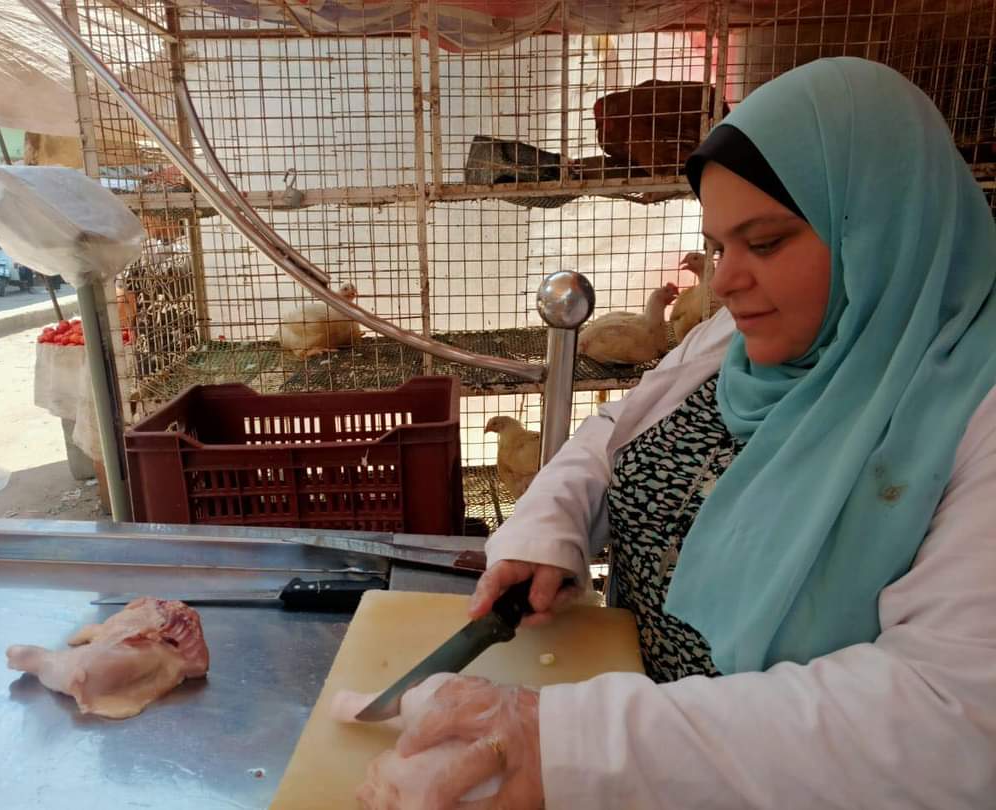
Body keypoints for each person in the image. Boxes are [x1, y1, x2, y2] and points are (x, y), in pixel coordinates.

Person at [356, 57, 996, 809]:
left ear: (884, 226)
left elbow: (953, 721)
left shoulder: (971, 409)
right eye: (719, 246)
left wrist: (571, 743)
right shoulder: (736, 338)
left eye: (765, 243)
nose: (723, 281)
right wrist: (551, 524)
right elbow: (615, 435)